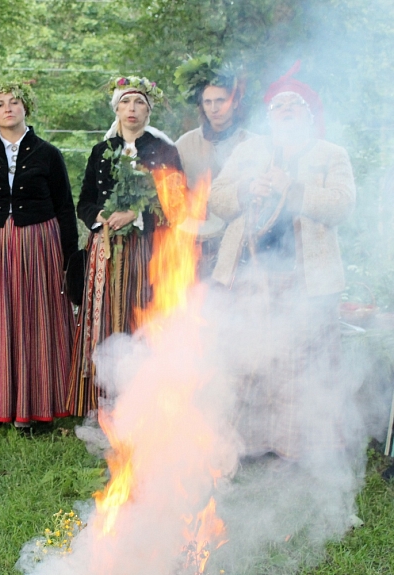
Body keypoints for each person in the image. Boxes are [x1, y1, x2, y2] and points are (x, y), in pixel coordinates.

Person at [209, 62, 355, 460]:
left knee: (302, 369)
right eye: (278, 104)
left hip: (305, 283)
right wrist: (244, 190)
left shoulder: (331, 154)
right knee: (248, 362)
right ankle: (248, 445)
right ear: (268, 115)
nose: (286, 108)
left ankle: (298, 448)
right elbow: (216, 197)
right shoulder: (248, 150)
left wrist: (294, 190)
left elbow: (342, 206)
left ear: (309, 114)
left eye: (295, 104)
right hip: (248, 277)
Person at [0, 79, 78, 431]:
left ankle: (33, 406)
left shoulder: (48, 154)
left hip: (39, 245)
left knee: (34, 319)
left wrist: (71, 263)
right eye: (0, 104)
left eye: (14, 102)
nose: (7, 108)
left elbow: (65, 209)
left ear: (26, 107)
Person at [66, 76, 185, 417]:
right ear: (116, 108)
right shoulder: (100, 151)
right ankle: (98, 402)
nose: (132, 110)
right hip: (104, 246)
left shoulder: (164, 150)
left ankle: (144, 402)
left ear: (149, 111)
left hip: (145, 247)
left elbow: (176, 200)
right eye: (126, 103)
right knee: (102, 317)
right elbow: (84, 201)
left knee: (140, 313)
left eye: (140, 104)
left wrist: (134, 212)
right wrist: (101, 215)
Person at [174, 56, 253, 278]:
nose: (214, 108)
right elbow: (171, 191)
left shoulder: (253, 143)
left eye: (221, 100)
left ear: (235, 102)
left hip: (241, 243)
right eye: (208, 102)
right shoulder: (184, 144)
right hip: (194, 244)